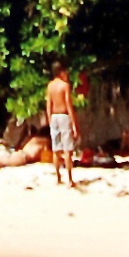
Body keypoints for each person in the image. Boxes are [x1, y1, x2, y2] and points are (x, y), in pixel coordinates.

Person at [45, 60, 78, 188]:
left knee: (56, 149)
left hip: (54, 117)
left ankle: (58, 177)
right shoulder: (65, 86)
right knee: (67, 149)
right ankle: (70, 179)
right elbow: (69, 105)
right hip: (64, 116)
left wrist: (49, 120)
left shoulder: (50, 86)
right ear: (61, 72)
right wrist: (74, 124)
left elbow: (48, 105)